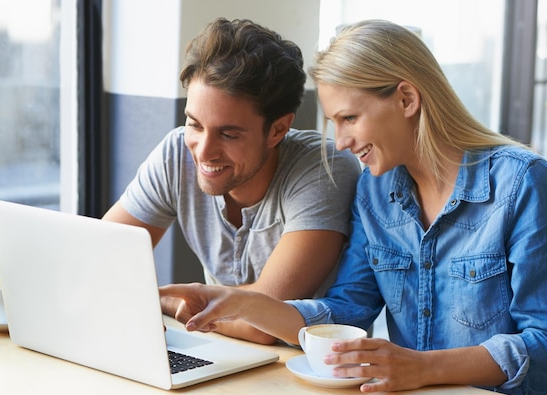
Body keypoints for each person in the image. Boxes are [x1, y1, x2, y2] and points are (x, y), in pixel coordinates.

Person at [159, 20, 547, 395]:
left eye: (349, 119)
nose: (340, 142)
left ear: (406, 99)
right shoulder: (376, 193)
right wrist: (249, 305)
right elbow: (348, 309)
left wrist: (425, 368)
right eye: (334, 123)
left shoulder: (524, 183)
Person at [102, 18, 361, 344]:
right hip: (220, 348)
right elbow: (101, 260)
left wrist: (162, 298)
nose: (204, 151)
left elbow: (262, 320)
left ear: (278, 130)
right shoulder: (175, 153)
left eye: (228, 133)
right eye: (194, 125)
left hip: (300, 369)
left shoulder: (323, 168)